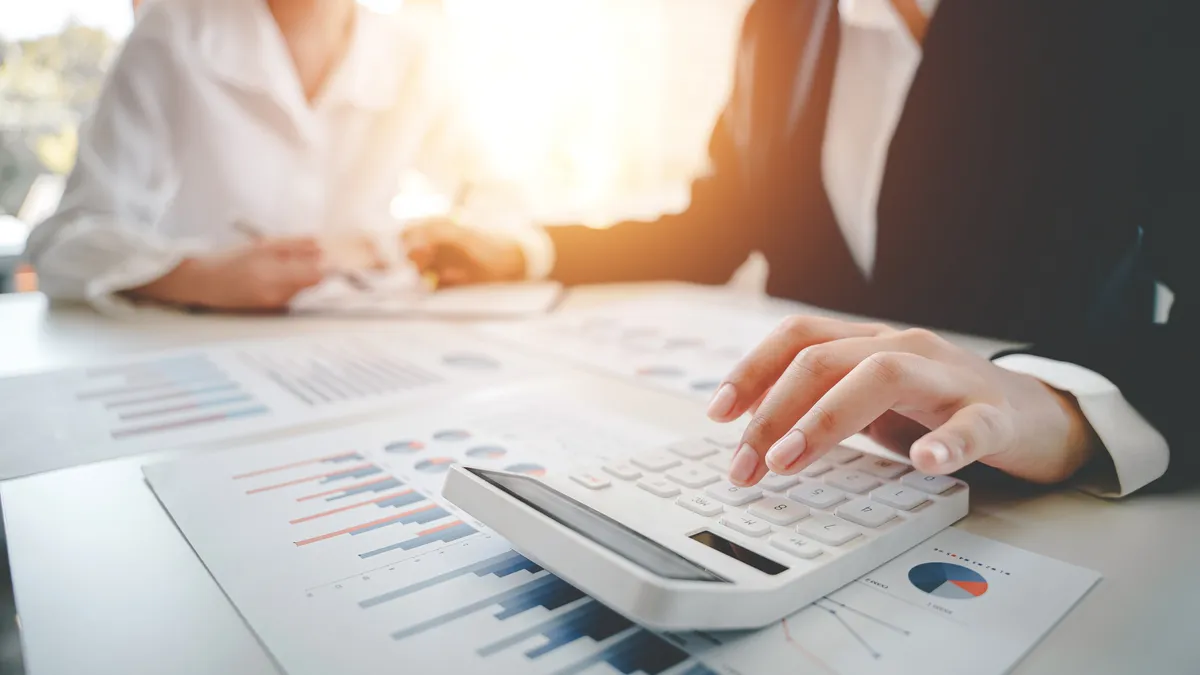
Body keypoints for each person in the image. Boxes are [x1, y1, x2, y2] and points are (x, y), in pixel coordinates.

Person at [406, 0, 1198, 494]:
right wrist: (526, 250)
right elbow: (718, 223)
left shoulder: (1130, 20)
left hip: (1032, 487)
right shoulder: (779, 18)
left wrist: (1068, 407)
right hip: (826, 475)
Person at [27, 0, 459, 312]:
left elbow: (497, 193)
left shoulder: (413, 52)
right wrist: (196, 275)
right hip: (203, 350)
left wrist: (504, 250)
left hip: (374, 343)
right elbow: (62, 242)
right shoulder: (175, 27)